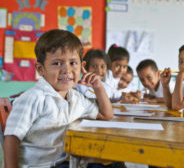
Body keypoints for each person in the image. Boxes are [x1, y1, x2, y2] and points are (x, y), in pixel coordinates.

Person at [4, 29, 113, 167]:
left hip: (65, 162)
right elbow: (12, 137)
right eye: (57, 63)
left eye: (73, 63)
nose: (66, 70)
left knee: (112, 164)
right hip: (40, 165)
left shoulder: (75, 98)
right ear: (40, 69)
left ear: (82, 67)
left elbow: (106, 115)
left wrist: (98, 87)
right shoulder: (33, 98)